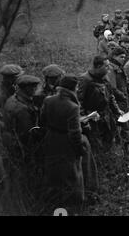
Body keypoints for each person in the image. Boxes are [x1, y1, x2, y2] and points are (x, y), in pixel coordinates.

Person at [40, 74, 86, 210]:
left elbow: (42, 120)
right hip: (66, 144)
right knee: (71, 176)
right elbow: (75, 133)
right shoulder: (73, 107)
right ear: (73, 88)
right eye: (76, 87)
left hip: (50, 140)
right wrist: (79, 149)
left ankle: (53, 205)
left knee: (53, 175)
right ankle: (71, 208)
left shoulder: (48, 100)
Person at [78, 56, 123, 153]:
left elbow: (110, 96)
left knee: (110, 139)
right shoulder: (85, 79)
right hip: (92, 117)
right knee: (96, 145)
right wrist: (84, 119)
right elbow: (79, 101)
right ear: (98, 66)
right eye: (106, 66)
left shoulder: (105, 77)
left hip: (106, 115)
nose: (108, 69)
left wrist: (117, 110)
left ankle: (109, 162)